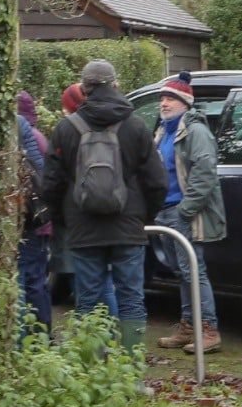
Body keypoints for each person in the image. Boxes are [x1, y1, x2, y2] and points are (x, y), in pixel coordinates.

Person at [42, 59, 167, 350]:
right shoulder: (135, 126)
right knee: (131, 299)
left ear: (83, 89)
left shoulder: (66, 129)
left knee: (87, 299)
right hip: (128, 227)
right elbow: (157, 182)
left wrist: (66, 219)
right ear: (115, 85)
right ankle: (132, 373)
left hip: (84, 229)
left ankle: (92, 370)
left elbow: (51, 184)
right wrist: (143, 216)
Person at [154, 72, 226, 355]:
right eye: (162, 98)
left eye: (170, 98)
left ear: (185, 102)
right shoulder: (163, 131)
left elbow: (205, 172)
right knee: (182, 273)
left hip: (183, 212)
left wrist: (186, 209)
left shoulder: (195, 131)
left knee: (194, 272)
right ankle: (188, 326)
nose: (164, 103)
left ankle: (209, 329)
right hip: (166, 211)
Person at [16, 92, 53, 333]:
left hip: (34, 221)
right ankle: (42, 333)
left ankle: (40, 334)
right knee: (36, 280)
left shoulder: (28, 137)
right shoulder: (37, 135)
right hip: (41, 221)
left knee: (31, 281)